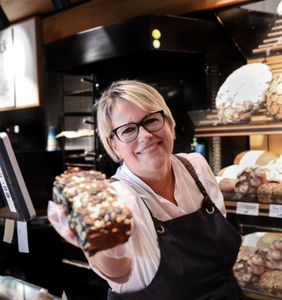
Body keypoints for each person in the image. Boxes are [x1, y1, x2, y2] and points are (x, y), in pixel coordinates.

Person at [48, 80, 246, 299]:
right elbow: (118, 273)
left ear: (169, 122)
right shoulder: (118, 198)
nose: (145, 136)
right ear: (113, 144)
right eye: (128, 130)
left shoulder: (196, 167)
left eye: (151, 120)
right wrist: (97, 245)